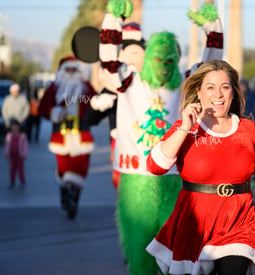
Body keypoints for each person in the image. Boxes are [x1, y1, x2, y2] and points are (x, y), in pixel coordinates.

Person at [98, 1, 224, 274]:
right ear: (148, 59)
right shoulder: (129, 81)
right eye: (159, 60)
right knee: (140, 245)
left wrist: (212, 27)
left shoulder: (186, 81)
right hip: (137, 176)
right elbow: (108, 62)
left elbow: (213, 64)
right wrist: (113, 18)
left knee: (177, 246)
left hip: (175, 177)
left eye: (169, 61)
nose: (165, 67)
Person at [146, 60, 255, 275]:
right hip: (194, 222)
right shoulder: (185, 128)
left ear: (234, 92)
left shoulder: (248, 129)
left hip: (239, 221)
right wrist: (185, 128)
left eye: (225, 87)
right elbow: (155, 167)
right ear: (199, 92)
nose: (219, 94)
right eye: (210, 87)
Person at [86, 22, 146, 189]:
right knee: (123, 184)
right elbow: (90, 119)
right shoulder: (113, 87)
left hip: (148, 141)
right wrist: (97, 106)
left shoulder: (151, 87)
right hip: (121, 144)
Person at [38, 56, 97, 219]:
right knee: (64, 169)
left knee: (80, 168)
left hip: (81, 135)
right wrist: (53, 112)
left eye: (74, 70)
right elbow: (43, 108)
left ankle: (74, 200)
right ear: (62, 72)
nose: (71, 73)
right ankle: (65, 193)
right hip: (61, 137)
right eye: (68, 70)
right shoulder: (54, 89)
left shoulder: (86, 88)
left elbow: (96, 105)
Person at [4, 119, 28, 188]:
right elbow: (7, 145)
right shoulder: (9, 135)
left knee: (20, 168)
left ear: (19, 127)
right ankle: (12, 181)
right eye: (13, 127)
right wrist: (6, 153)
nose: (14, 128)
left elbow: (25, 146)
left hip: (20, 155)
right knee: (12, 169)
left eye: (16, 127)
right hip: (12, 155)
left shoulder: (22, 136)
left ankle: (22, 180)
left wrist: (25, 154)